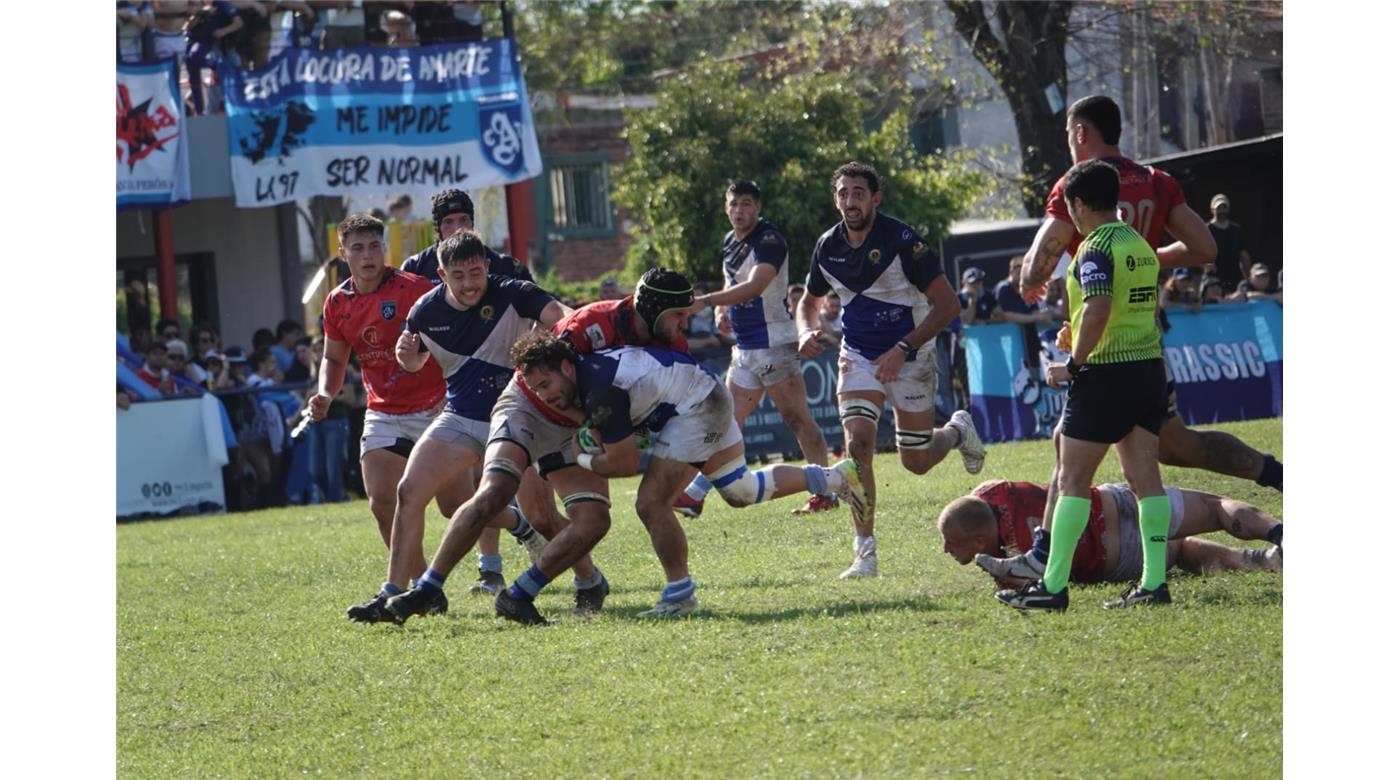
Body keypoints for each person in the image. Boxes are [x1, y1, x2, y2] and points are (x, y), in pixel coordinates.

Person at [379, 268, 699, 625]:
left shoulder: (673, 347)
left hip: (575, 426)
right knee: (495, 491)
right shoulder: (594, 322)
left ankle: (521, 595)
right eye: (679, 315)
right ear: (655, 310)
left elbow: (666, 412)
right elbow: (538, 372)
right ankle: (428, 588)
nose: (685, 324)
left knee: (593, 521)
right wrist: (595, 422)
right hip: (527, 406)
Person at [477, 333, 865, 623]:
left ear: (565, 367)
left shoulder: (599, 389)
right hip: (703, 390)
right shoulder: (588, 379)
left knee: (650, 504)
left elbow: (625, 463)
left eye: (546, 385)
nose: (544, 396)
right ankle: (835, 478)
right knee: (740, 490)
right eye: (535, 390)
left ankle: (679, 594)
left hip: (696, 406)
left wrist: (580, 457)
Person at [1020, 94, 1282, 497]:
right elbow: (1205, 248)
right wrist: (1143, 256)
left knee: (1069, 451)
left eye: (1069, 137)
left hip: (1103, 337)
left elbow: (1036, 269)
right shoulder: (1155, 180)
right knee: (1177, 445)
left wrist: (1028, 279)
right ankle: (1274, 473)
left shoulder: (1078, 186)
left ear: (1080, 132)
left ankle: (1045, 552)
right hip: (1146, 335)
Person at [345, 230, 567, 623]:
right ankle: (394, 593)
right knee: (408, 491)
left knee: (544, 516)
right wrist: (406, 356)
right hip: (461, 418)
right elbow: (413, 362)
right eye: (459, 275)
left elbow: (563, 319)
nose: (469, 283)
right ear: (442, 274)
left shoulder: (512, 291)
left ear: (486, 267)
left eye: (476, 273)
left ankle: (589, 581)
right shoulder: (425, 310)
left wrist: (546, 339)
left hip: (517, 417)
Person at [997, 159, 1175, 611]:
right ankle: (1154, 584)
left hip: (1104, 376)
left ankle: (1053, 587)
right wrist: (1075, 331)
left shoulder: (1094, 248)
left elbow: (1098, 308)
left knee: (1072, 479)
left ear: (1077, 205)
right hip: (1148, 369)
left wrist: (1073, 364)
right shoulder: (1141, 245)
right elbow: (1128, 310)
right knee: (1146, 482)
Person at [795, 161, 985, 579]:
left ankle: (956, 432)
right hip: (859, 354)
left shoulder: (902, 240)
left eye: (858, 193)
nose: (850, 201)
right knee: (858, 444)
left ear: (875, 199)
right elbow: (807, 303)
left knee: (915, 461)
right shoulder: (827, 246)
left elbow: (949, 304)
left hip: (911, 354)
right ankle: (865, 551)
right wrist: (806, 330)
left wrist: (903, 348)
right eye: (843, 193)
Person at [306, 214, 466, 580]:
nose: (368, 255)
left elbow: (455, 339)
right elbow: (333, 357)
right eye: (358, 248)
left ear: (384, 249)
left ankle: (517, 523)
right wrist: (325, 394)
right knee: (382, 504)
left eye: (375, 246)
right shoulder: (337, 302)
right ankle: (421, 585)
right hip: (383, 411)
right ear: (343, 253)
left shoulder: (416, 288)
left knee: (455, 505)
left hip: (435, 409)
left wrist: (453, 389)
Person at [680, 180, 839, 518]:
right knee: (724, 419)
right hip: (745, 345)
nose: (740, 211)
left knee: (798, 421)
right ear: (726, 206)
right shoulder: (728, 240)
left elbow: (755, 285)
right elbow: (732, 280)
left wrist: (705, 303)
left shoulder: (769, 240)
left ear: (759, 208)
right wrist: (723, 311)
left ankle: (826, 491)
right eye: (734, 204)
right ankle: (695, 494)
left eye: (747, 203)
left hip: (774, 343)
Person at [939, 480, 1282, 588]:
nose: (945, 551)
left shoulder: (1010, 568)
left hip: (1116, 555)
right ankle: (1277, 537)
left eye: (951, 543)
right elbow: (973, 504)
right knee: (1213, 506)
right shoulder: (992, 490)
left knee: (1175, 551)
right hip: (1113, 501)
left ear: (980, 542)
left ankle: (1259, 562)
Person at [401, 189, 532, 283]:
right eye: (448, 222)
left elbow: (543, 309)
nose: (458, 229)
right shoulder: (415, 268)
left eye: (464, 220)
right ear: (437, 229)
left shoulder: (505, 266)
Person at [1207, 194, 1250, 292]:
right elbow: (1197, 252)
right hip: (1213, 279)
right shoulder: (1206, 229)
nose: (1222, 211)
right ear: (1212, 209)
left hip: (1235, 277)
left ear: (1228, 209)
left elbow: (1243, 254)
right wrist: (1205, 265)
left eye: (1224, 208)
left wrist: (1247, 275)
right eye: (1219, 208)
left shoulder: (1237, 230)